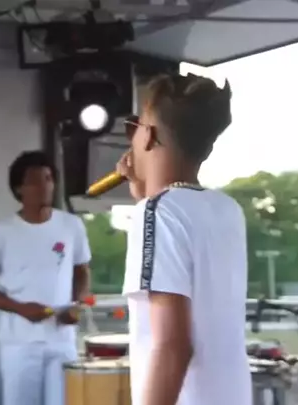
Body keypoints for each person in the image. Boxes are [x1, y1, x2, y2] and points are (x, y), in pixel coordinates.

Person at [118, 74, 251, 405]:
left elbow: (173, 346)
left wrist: (147, 205)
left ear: (148, 135)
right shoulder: (226, 208)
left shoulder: (157, 213)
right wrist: (143, 194)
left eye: (135, 126)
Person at [0, 150, 91, 405]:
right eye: (35, 181)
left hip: (62, 340)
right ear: (19, 189)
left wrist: (77, 304)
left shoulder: (72, 226)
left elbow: (82, 271)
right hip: (19, 344)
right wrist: (19, 308)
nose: (44, 186)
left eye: (48, 179)